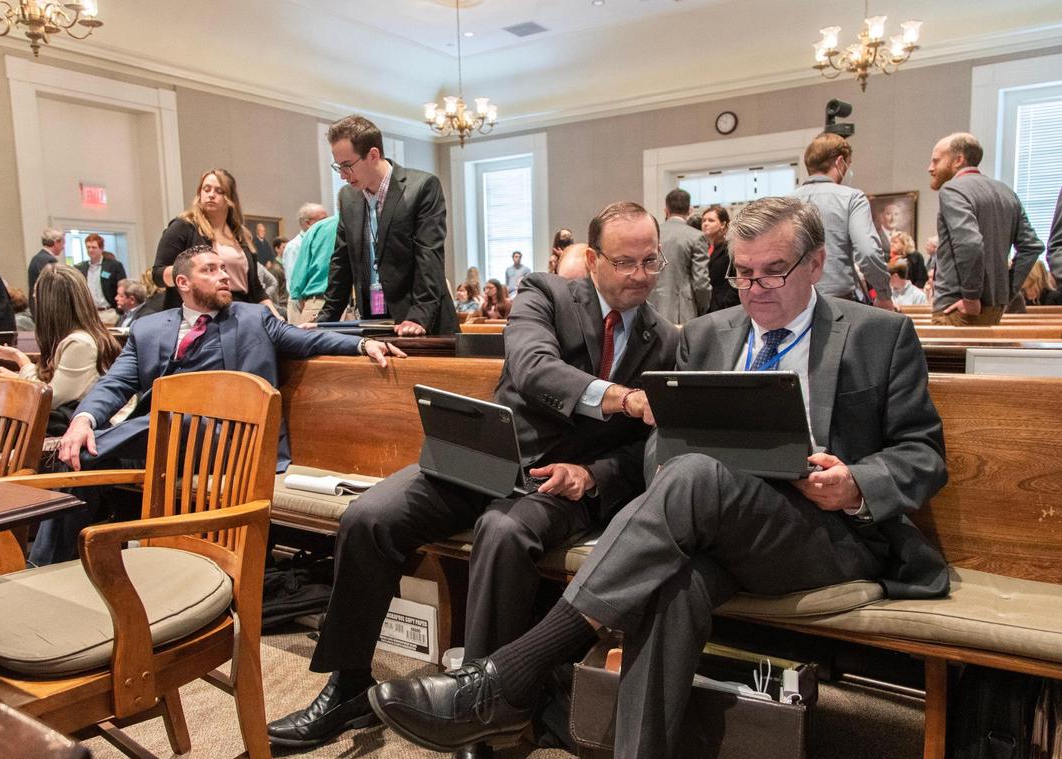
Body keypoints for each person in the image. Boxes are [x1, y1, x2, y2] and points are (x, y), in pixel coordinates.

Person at [368, 196, 950, 759]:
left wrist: (854, 481)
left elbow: (923, 454)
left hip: (824, 532)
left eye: (774, 273)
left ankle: (504, 678)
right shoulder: (707, 334)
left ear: (816, 264)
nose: (755, 290)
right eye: (743, 274)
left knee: (696, 477)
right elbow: (657, 448)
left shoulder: (878, 334)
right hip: (716, 527)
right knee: (675, 581)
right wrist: (666, 465)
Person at [267, 201, 678, 756]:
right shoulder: (547, 294)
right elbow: (533, 368)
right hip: (483, 456)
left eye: (651, 262)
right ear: (594, 258)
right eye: (626, 262)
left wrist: (592, 474)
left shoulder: (665, 338)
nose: (640, 276)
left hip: (562, 482)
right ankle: (346, 683)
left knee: (503, 535)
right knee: (369, 517)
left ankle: (481, 705)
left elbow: (647, 447)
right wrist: (621, 398)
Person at [36, 245, 401, 566]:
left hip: (228, 439)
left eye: (223, 269)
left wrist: (362, 343)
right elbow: (116, 383)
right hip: (159, 439)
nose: (223, 275)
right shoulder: (148, 329)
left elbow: (307, 340)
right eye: (209, 270)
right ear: (183, 283)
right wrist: (83, 419)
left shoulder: (254, 318)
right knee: (79, 454)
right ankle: (49, 567)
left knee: (171, 421)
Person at [317, 115, 458, 336]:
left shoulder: (422, 187)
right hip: (373, 322)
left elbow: (429, 257)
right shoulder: (348, 197)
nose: (343, 175)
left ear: (373, 155)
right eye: (338, 167)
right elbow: (341, 263)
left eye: (347, 166)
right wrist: (323, 322)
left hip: (422, 322)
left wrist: (418, 317)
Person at [927, 132, 1043, 325]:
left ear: (958, 160)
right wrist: (1004, 291)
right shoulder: (1007, 193)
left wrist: (972, 297)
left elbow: (970, 243)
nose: (930, 168)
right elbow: (1032, 247)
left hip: (958, 308)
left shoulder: (953, 190)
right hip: (993, 309)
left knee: (948, 357)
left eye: (936, 161)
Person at [0, 266, 121, 415]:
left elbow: (48, 399)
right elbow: (58, 387)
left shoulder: (80, 343)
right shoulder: (80, 338)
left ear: (48, 305)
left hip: (93, 428)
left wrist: (20, 360)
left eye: (36, 299)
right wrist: (16, 376)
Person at [152, 168, 277, 316]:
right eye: (206, 189)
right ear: (200, 194)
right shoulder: (183, 227)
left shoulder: (241, 235)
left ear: (230, 199)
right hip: (200, 313)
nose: (211, 195)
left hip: (241, 313)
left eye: (219, 191)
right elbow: (158, 275)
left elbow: (256, 290)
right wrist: (191, 272)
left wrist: (276, 317)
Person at [789, 132, 893, 309]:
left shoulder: (786, 202)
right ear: (839, 162)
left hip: (794, 301)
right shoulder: (851, 198)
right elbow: (868, 252)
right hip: (837, 303)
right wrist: (883, 294)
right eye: (848, 164)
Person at [649, 188, 710, 323]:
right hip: (682, 311)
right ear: (690, 210)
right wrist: (702, 307)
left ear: (666, 210)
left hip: (651, 307)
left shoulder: (653, 234)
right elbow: (701, 283)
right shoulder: (696, 236)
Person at [289, 212, 340, 324]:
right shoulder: (365, 225)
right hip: (353, 308)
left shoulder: (317, 228)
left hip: (317, 303)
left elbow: (299, 276)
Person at [75, 234, 127, 326]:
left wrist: (119, 309)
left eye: (94, 247)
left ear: (101, 249)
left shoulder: (114, 266)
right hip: (89, 314)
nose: (90, 250)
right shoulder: (81, 268)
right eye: (88, 247)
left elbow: (123, 287)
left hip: (109, 313)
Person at [282, 204, 329, 305]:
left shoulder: (321, 242)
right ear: (308, 223)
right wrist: (304, 306)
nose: (328, 223)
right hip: (301, 303)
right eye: (323, 220)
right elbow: (293, 282)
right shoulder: (294, 246)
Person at [702, 205, 739, 312]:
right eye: (703, 220)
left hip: (725, 308)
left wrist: (725, 305)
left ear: (723, 224)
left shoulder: (730, 248)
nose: (705, 223)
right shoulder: (706, 248)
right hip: (710, 308)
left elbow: (736, 281)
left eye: (711, 220)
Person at [28, 227, 64, 296]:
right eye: (63, 243)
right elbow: (54, 287)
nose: (63, 247)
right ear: (56, 242)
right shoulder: (50, 261)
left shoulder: (36, 258)